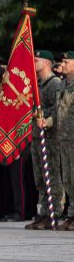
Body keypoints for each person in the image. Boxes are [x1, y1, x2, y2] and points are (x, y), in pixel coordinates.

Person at [26, 50, 64, 230]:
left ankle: (54, 212)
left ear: (47, 63)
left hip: (50, 136)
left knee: (52, 175)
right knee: (40, 177)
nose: (34, 62)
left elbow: (59, 111)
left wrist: (42, 116)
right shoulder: (38, 84)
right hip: (37, 135)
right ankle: (43, 211)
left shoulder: (54, 84)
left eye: (37, 60)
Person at [53, 51, 74, 230]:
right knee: (67, 178)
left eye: (67, 62)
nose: (63, 65)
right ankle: (71, 215)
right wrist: (47, 121)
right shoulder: (61, 86)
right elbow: (57, 112)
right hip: (63, 138)